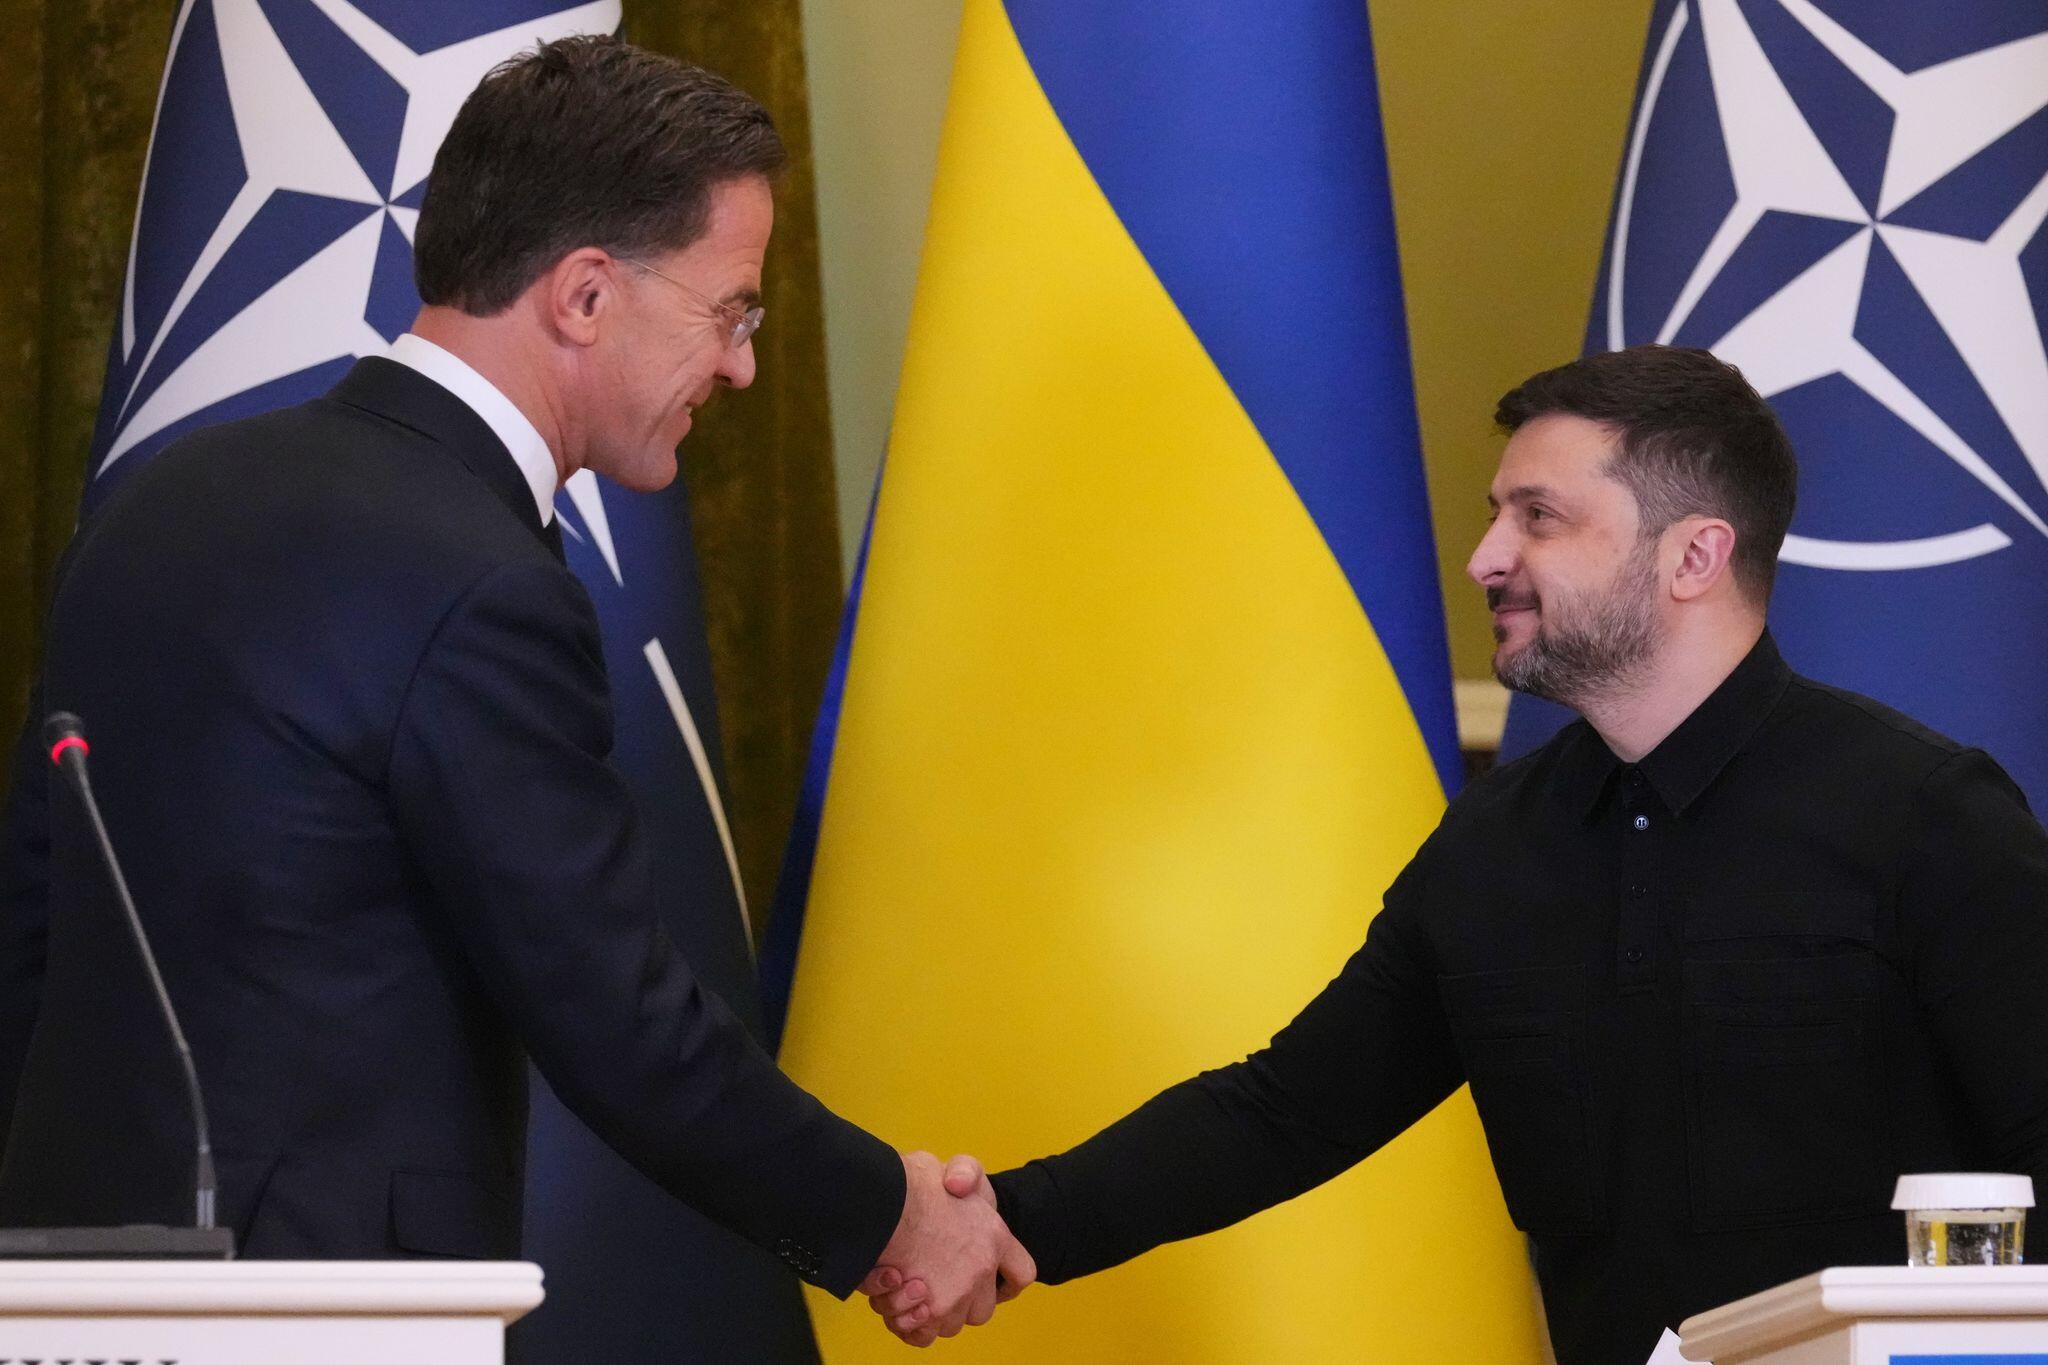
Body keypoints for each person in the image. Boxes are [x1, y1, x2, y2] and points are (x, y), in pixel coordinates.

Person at [0, 34, 1027, 1336]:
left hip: (68, 1293)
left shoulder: (159, 505)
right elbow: (615, 1015)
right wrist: (888, 1213)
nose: (741, 366)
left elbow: (35, 924)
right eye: (731, 311)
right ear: (585, 295)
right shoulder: (482, 582)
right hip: (333, 1316)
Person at [869, 345, 2048, 1361]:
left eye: (1538, 517)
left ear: (1692, 558)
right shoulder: (1495, 843)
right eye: (1496, 515)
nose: (1484, 557)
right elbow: (1286, 1111)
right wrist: (1005, 1220)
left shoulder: (1923, 815)